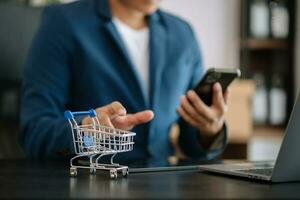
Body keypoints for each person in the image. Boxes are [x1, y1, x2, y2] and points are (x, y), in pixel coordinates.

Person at [21, 0, 229, 163]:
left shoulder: (183, 34)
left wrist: (209, 131)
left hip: (162, 183)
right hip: (89, 183)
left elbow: (190, 142)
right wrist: (86, 132)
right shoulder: (63, 23)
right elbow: (35, 131)